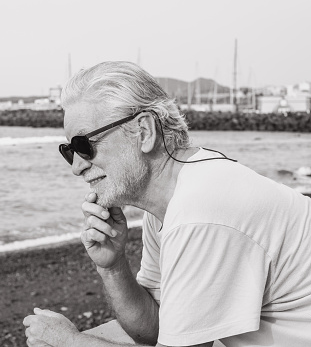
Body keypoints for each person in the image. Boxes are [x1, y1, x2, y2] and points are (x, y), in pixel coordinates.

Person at [22, 61, 311, 347]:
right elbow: (154, 329)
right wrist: (112, 266)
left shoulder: (201, 210)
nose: (77, 166)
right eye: (69, 151)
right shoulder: (171, 201)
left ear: (144, 132)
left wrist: (67, 341)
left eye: (84, 145)